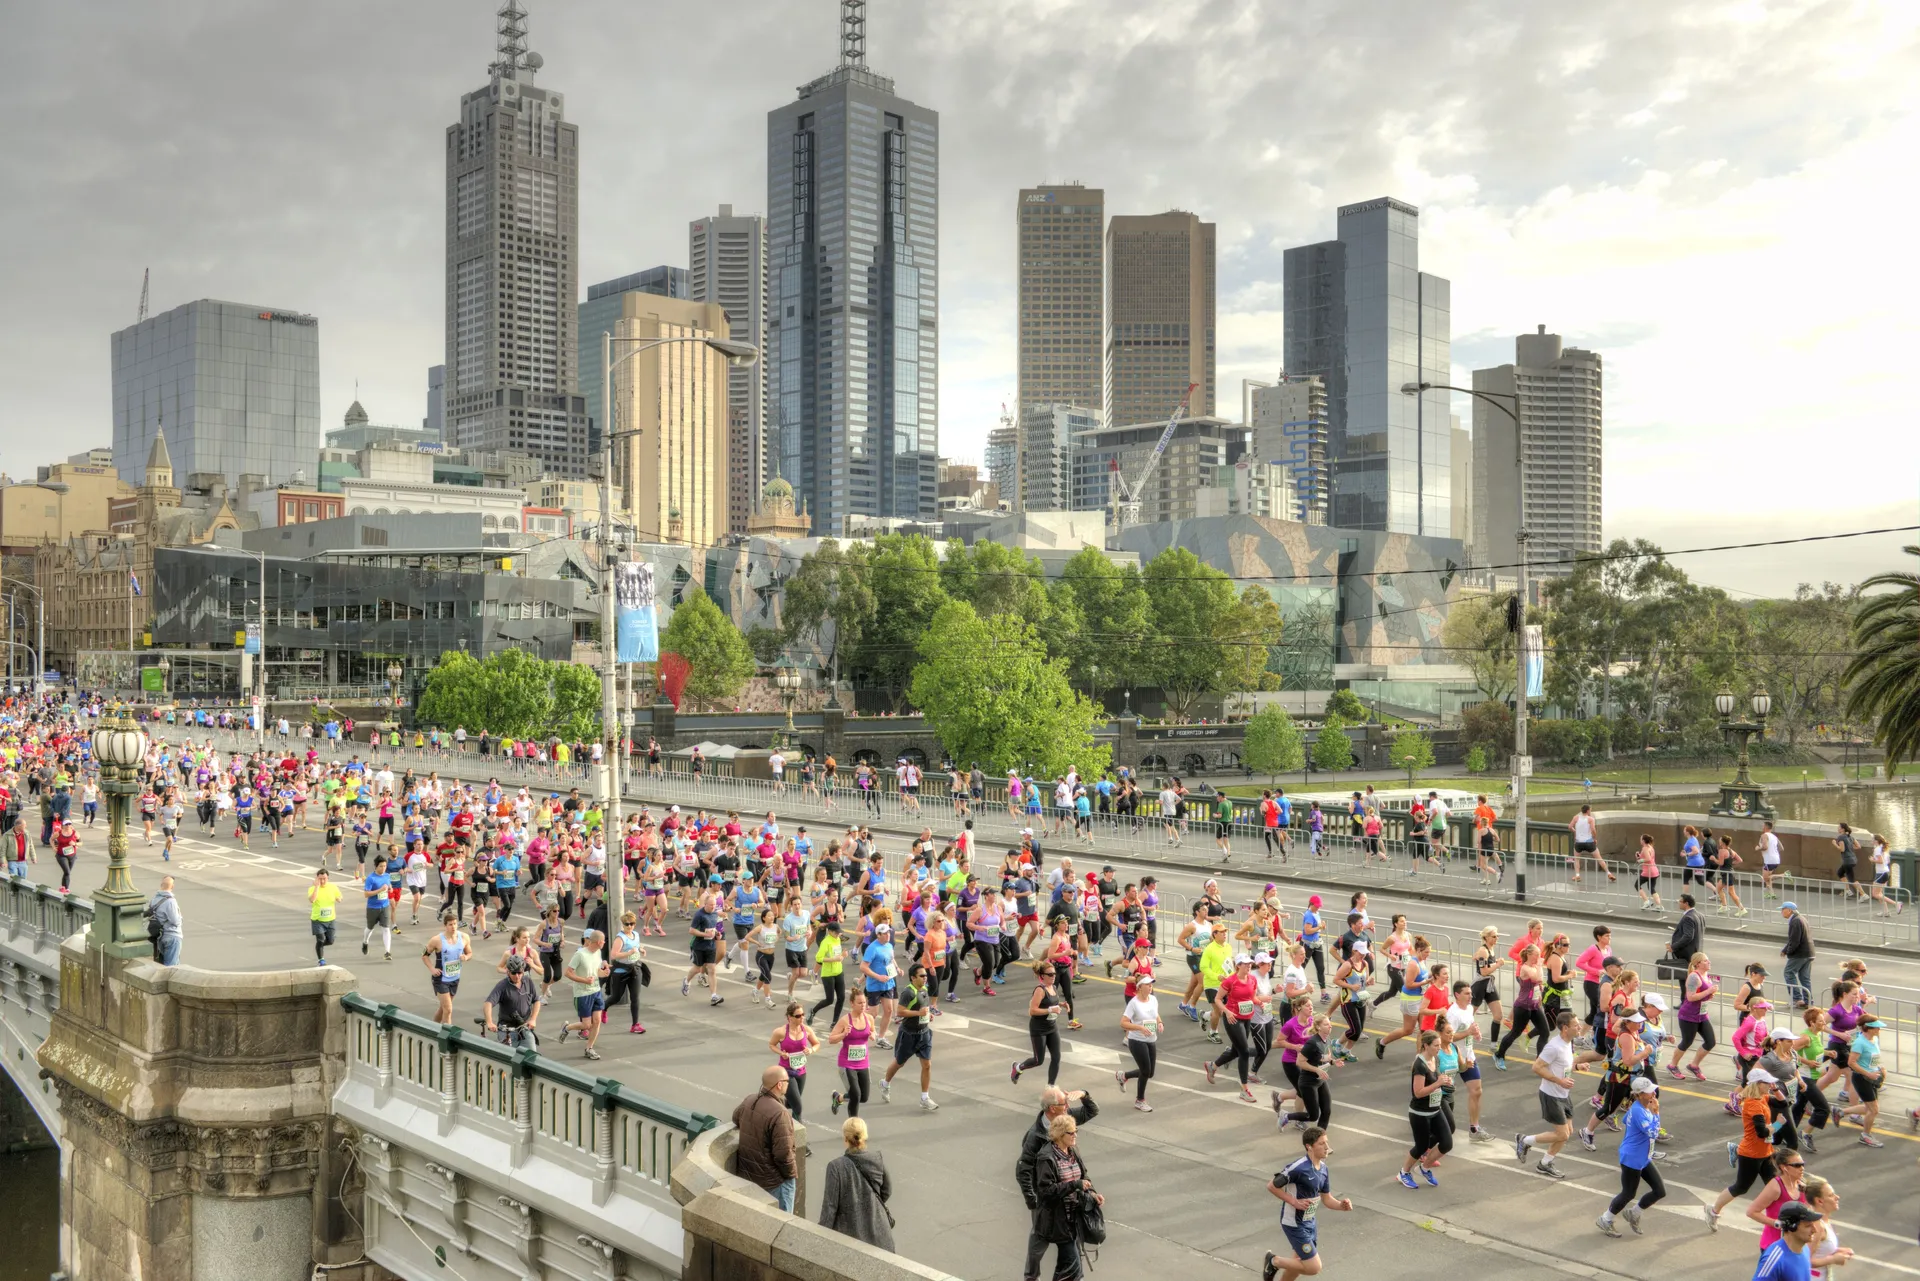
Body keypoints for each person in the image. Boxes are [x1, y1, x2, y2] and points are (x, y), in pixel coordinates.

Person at [1261, 1125, 1352, 1281]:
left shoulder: (1323, 1169)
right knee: (1313, 1267)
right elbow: (1272, 1186)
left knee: (1298, 1264)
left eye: (1327, 1142)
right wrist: (1294, 1202)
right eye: (1322, 1144)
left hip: (1309, 1222)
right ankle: (1274, 1261)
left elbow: (1327, 1198)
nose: (1327, 1147)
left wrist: (1341, 1206)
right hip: (1293, 1223)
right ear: (1309, 1147)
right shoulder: (1297, 1168)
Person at [1029, 1113, 1100, 1281]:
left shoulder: (1072, 1151)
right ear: (1060, 1134)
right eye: (1071, 1132)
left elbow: (1084, 1176)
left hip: (1074, 1219)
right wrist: (1074, 1185)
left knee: (1068, 1268)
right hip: (1058, 1221)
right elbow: (1046, 1191)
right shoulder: (1046, 1158)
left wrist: (1092, 1193)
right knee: (1072, 1267)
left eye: (1076, 1131)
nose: (1075, 1135)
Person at [1513, 1010, 1581, 1179]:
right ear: (1565, 1028)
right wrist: (1559, 1081)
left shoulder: (1568, 1043)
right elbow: (1537, 1067)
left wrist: (1577, 1067)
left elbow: (1561, 1066)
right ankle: (1524, 1140)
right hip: (1551, 1094)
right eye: (1576, 1025)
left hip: (1564, 1094)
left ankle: (1545, 1164)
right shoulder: (1553, 1046)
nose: (1579, 1027)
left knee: (1568, 1132)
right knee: (1562, 1134)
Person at [1595, 1077, 1665, 1236]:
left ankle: (1634, 1213)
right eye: (1649, 1092)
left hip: (1643, 1156)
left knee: (1659, 1190)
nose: (1653, 1093)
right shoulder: (1640, 1111)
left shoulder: (1641, 1107)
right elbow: (1654, 1133)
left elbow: (1627, 1121)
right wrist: (1657, 1113)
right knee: (1628, 1193)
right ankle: (1605, 1219)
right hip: (1632, 1158)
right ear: (1639, 1094)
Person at [818, 1117, 895, 1250]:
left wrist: (819, 1239)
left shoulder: (836, 1167)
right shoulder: (877, 1160)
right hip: (881, 1237)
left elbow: (829, 1209)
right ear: (864, 1137)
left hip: (850, 1238)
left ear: (845, 1139)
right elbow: (886, 1191)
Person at [732, 1065, 799, 1213]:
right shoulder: (780, 1113)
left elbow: (736, 1117)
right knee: (783, 1222)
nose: (789, 1083)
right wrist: (791, 1175)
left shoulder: (750, 1099)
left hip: (750, 1175)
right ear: (779, 1084)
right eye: (787, 1081)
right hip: (774, 1181)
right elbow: (783, 1154)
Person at [881, 963, 939, 1111]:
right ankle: (885, 1083)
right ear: (913, 978)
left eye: (925, 975)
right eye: (922, 976)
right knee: (899, 1063)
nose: (925, 978)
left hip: (924, 1033)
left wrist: (928, 1015)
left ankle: (924, 1098)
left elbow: (922, 1010)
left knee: (927, 1065)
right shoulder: (909, 992)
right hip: (909, 1034)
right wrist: (918, 1014)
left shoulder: (924, 989)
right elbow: (899, 1012)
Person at [557, 929, 609, 1061]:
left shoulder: (598, 952)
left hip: (596, 991)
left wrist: (604, 973)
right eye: (603, 941)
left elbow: (596, 970)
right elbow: (568, 973)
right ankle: (567, 1028)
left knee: (596, 1021)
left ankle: (589, 1048)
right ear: (598, 942)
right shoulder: (580, 954)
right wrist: (584, 980)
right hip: (582, 993)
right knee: (586, 1025)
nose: (604, 943)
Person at [1117, 972, 1163, 1111]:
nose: (1150, 987)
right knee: (1145, 1070)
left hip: (1151, 1039)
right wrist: (1139, 1028)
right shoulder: (1134, 1003)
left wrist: (1160, 1023)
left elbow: (1156, 1014)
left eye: (1151, 985)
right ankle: (1140, 1100)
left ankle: (1123, 1076)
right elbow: (1123, 1023)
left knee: (1150, 1073)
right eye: (1148, 985)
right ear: (1140, 987)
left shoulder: (1153, 999)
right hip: (1136, 1040)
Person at [1752, 1203, 1827, 1281]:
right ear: (1792, 1227)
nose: (1815, 1230)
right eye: (1808, 1226)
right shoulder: (1775, 1259)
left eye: (1813, 1225)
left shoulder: (1805, 1249)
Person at [481, 955, 542, 1049]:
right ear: (508, 972)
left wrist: (533, 1019)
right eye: (514, 973)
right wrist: (489, 1022)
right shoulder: (502, 986)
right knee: (509, 1057)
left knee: (531, 1057)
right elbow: (488, 1003)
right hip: (507, 1030)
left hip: (524, 1027)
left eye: (519, 972)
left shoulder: (528, 982)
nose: (517, 976)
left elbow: (536, 1000)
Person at [1780, 902, 1815, 1009]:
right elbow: (1793, 939)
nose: (1781, 912)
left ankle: (1797, 999)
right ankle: (1808, 1001)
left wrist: (1789, 952)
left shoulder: (1795, 921)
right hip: (1809, 953)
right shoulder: (1801, 918)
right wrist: (1785, 950)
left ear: (1789, 910)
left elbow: (1795, 941)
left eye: (1782, 909)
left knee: (1789, 973)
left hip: (1800, 954)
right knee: (1804, 978)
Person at [307, 868, 343, 966]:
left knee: (330, 941)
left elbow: (339, 897)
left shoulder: (333, 887)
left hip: (330, 919)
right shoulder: (312, 889)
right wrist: (317, 887)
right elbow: (312, 900)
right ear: (317, 879)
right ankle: (321, 959)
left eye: (324, 879)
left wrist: (338, 898)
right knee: (321, 939)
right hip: (317, 919)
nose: (322, 881)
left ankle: (318, 947)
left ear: (328, 878)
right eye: (320, 879)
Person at [145, 875, 183, 966]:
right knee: (171, 966)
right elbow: (175, 921)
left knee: (163, 963)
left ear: (161, 884)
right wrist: (181, 917)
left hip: (161, 936)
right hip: (172, 935)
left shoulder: (154, 899)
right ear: (172, 887)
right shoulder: (171, 902)